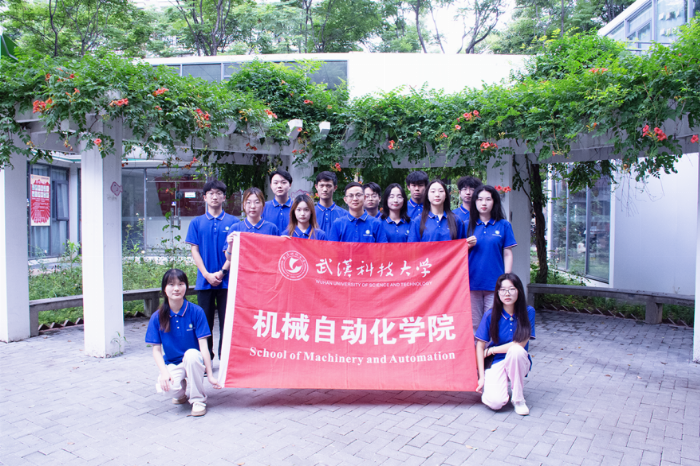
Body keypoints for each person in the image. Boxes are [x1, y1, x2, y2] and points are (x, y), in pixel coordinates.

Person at [145, 269, 222, 417]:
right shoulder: (157, 317)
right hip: (173, 363)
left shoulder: (196, 311)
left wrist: (210, 375)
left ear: (186, 287)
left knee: (191, 355)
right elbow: (156, 350)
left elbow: (204, 347)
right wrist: (164, 372)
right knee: (166, 388)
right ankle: (181, 390)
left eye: (181, 284)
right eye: (171, 284)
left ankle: (198, 400)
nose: (176, 288)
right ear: (164, 288)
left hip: (194, 361)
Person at [185, 180, 238, 361]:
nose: (215, 197)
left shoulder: (233, 222)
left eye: (218, 193)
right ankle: (206, 358)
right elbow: (194, 250)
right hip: (204, 281)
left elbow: (235, 251)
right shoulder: (196, 222)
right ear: (204, 197)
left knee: (227, 321)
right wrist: (206, 274)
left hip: (227, 281)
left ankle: (225, 359)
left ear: (224, 197)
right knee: (204, 322)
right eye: (211, 193)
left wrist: (222, 272)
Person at [475, 273, 536, 416]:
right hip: (497, 361)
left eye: (511, 289)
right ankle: (494, 386)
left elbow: (520, 344)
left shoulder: (528, 312)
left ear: (519, 291)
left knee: (515, 351)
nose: (507, 294)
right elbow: (480, 346)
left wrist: (492, 350)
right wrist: (482, 377)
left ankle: (518, 399)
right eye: (502, 290)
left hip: (519, 360)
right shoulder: (490, 315)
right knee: (495, 403)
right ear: (497, 293)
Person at [467, 185, 517, 333]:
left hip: (495, 283)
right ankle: (476, 348)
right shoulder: (466, 225)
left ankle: (491, 348)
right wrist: (465, 246)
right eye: (480, 199)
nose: (484, 203)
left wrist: (506, 278)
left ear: (494, 201)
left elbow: (507, 253)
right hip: (471, 282)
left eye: (488, 199)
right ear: (475, 202)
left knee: (492, 321)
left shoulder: (504, 225)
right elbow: (457, 252)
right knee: (474, 324)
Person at [407, 179, 476, 245]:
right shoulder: (418, 221)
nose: (437, 194)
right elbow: (412, 247)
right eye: (433, 191)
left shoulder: (456, 220)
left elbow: (461, 247)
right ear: (427, 195)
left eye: (441, 191)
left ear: (445, 195)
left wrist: (469, 244)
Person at [262, 169, 293, 234]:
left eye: (283, 182)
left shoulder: (297, 207)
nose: (279, 186)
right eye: (275, 183)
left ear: (290, 185)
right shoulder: (263, 207)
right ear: (271, 186)